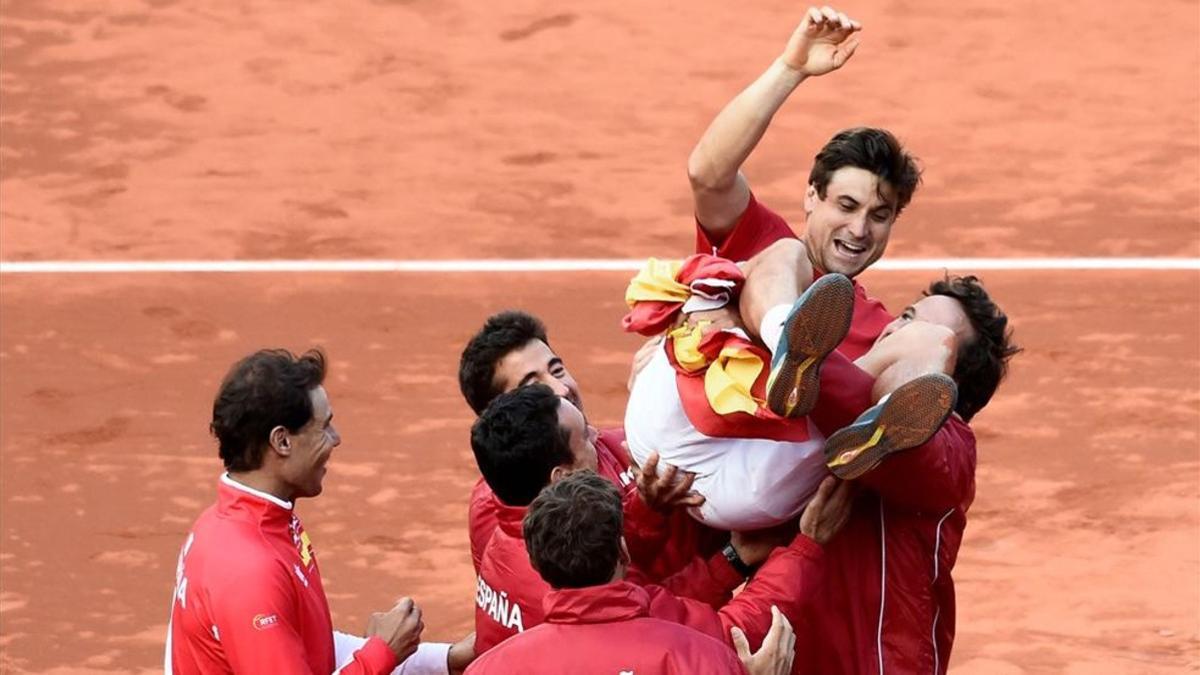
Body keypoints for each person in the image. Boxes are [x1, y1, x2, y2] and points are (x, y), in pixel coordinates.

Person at [678, 6, 1020, 671]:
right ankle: (790, 352)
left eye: (880, 215)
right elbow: (707, 174)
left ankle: (867, 426)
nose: (861, 229)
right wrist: (789, 69)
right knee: (779, 259)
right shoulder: (776, 249)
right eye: (846, 205)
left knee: (923, 357)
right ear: (811, 197)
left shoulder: (885, 328)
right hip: (753, 510)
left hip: (839, 580)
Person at [166, 348, 474, 674]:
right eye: (324, 427)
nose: (336, 439)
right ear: (282, 441)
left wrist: (443, 660)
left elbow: (303, 646)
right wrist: (379, 654)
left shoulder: (234, 524)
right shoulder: (250, 570)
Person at [468, 384, 798, 655]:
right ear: (560, 476)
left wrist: (648, 509)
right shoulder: (560, 576)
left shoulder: (523, 534)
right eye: (584, 437)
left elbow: (638, 591)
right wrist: (806, 546)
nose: (598, 436)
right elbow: (705, 633)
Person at [467, 471, 851, 674]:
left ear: (538, 565)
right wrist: (805, 547)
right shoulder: (701, 658)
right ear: (622, 550)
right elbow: (734, 626)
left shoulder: (489, 669)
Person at [458, 311, 723, 580]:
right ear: (502, 413)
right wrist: (735, 561)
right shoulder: (499, 516)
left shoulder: (618, 445)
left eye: (557, 370)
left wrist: (652, 400)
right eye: (534, 387)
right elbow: (615, 601)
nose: (561, 389)